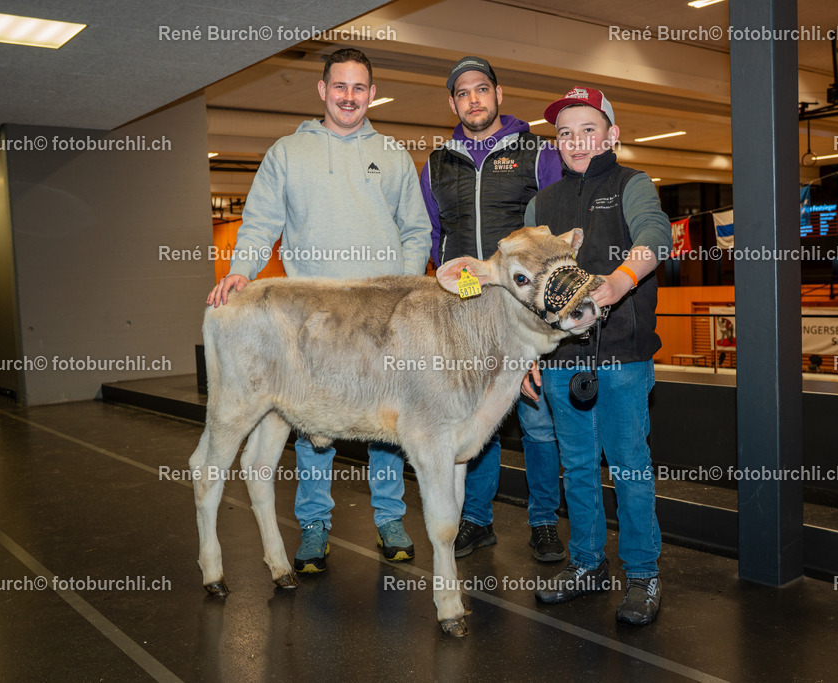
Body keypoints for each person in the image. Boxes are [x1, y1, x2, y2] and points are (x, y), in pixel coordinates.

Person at [207, 47, 431, 574]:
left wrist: (401, 291)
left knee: (387, 421)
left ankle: (390, 518)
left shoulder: (394, 155)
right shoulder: (287, 153)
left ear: (372, 93)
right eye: (340, 86)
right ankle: (313, 524)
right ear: (322, 90)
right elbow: (261, 221)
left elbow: (416, 229)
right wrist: (241, 269)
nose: (349, 96)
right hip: (313, 319)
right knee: (312, 421)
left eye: (359, 87)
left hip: (380, 317)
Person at [522, 87, 671, 625]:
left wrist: (621, 280)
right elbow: (529, 284)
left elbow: (656, 234)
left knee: (629, 466)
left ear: (612, 135)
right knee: (578, 466)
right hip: (562, 360)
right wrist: (528, 350)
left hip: (623, 357)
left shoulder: (632, 184)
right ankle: (587, 564)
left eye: (588, 130)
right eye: (565, 133)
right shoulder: (541, 204)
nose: (576, 141)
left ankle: (643, 574)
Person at [420, 56, 566, 562]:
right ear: (453, 103)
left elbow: (554, 230)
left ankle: (543, 522)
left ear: (499, 94)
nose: (473, 99)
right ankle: (477, 521)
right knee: (475, 417)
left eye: (481, 89)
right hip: (466, 311)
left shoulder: (537, 152)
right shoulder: (437, 164)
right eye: (462, 93)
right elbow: (433, 236)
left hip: (525, 307)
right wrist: (456, 290)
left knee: (537, 420)